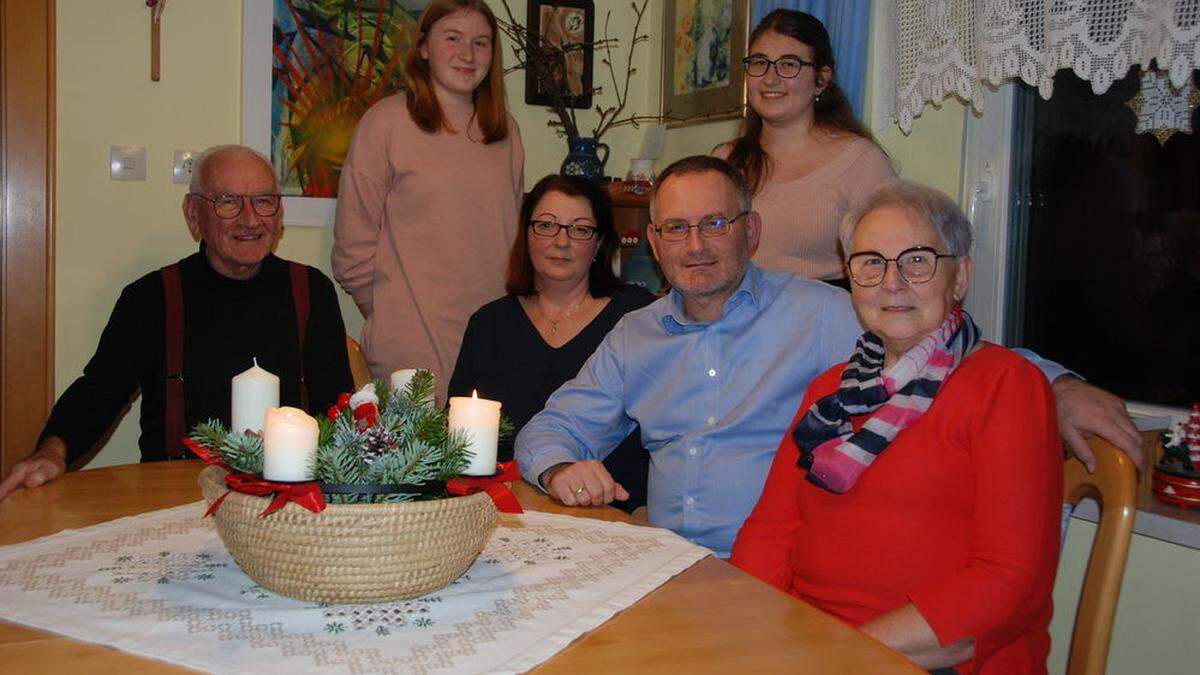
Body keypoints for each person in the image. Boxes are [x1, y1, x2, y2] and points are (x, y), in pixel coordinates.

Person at [515, 155, 1142, 558]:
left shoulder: (819, 313)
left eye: (716, 223)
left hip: (780, 574)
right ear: (654, 241)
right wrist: (560, 467)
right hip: (665, 565)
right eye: (676, 228)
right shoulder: (635, 334)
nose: (696, 245)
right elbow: (550, 427)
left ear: (752, 232)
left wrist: (1055, 386)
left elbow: (944, 346)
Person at [731, 182, 1062, 673]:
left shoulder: (1007, 386)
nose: (892, 282)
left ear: (960, 276)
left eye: (917, 260)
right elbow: (771, 530)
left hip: (929, 659)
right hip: (812, 643)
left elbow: (1007, 584)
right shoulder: (830, 392)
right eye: (870, 263)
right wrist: (751, 630)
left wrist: (835, 656)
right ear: (851, 280)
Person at [0, 145, 353, 500]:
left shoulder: (312, 291)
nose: (250, 219)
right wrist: (53, 451)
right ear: (193, 214)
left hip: (288, 499)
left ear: (279, 216)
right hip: (175, 497)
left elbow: (339, 406)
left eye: (263, 201)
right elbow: (99, 390)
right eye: (228, 201)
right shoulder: (151, 298)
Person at [332, 0, 524, 403]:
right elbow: (353, 247)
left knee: (488, 462)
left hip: (495, 341)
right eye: (452, 38)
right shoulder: (385, 123)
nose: (468, 54)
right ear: (423, 47)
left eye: (481, 42)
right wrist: (390, 314)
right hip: (411, 346)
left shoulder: (506, 133)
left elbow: (512, 240)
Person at [448, 175, 655, 510]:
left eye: (580, 229)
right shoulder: (489, 323)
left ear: (600, 242)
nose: (562, 241)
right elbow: (457, 437)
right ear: (526, 235)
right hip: (501, 508)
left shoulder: (638, 316)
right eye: (546, 225)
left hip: (610, 509)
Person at [715, 9, 895, 286]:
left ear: (821, 79)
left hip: (825, 321)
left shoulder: (861, 161)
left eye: (788, 65)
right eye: (759, 62)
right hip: (735, 320)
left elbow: (886, 268)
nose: (770, 78)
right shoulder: (724, 161)